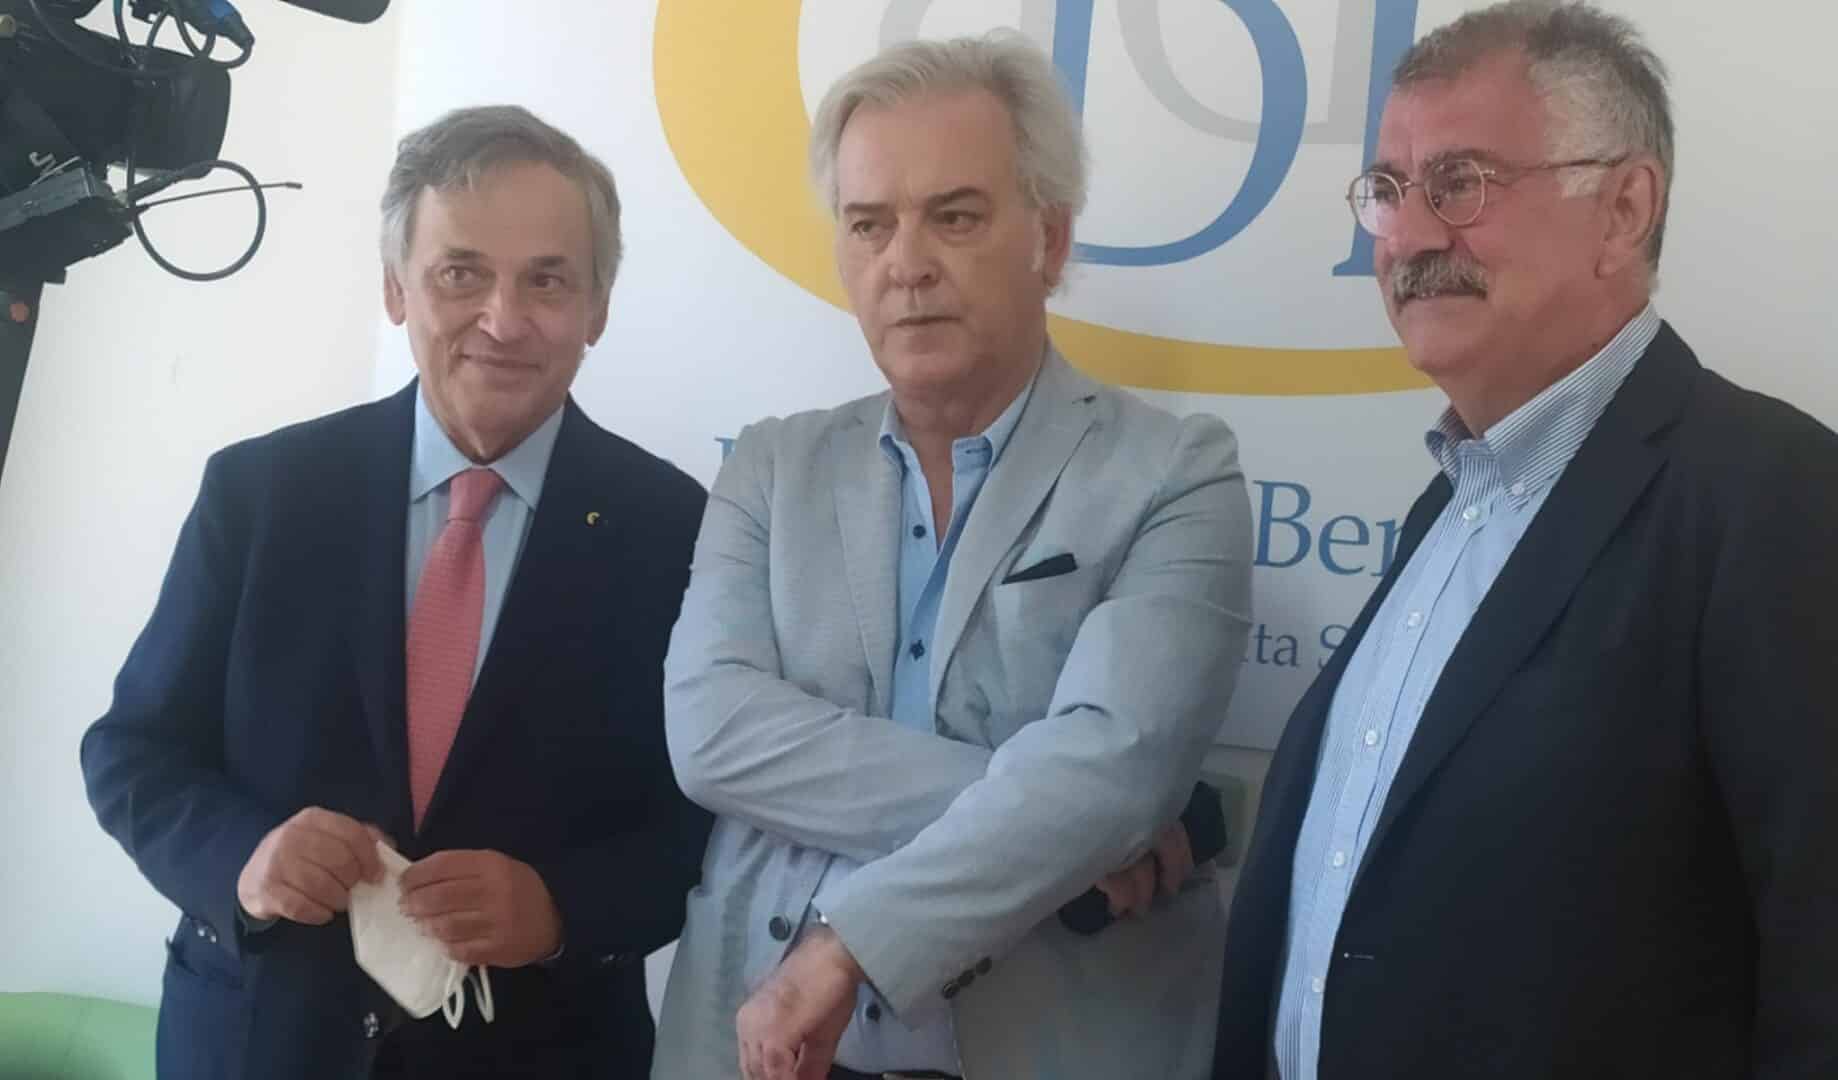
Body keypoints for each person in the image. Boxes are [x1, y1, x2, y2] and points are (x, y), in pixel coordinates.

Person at [1211, 4, 1838, 1077]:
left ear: (1622, 209)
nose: (1409, 238)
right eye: (1388, 189)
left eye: (1460, 182)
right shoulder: (1446, 506)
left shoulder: (1774, 497)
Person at [654, 32, 1254, 1080]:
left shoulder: (1176, 473)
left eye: (956, 215)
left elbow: (1113, 767)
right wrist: (1078, 828)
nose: (906, 263)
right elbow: (710, 735)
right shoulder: (770, 465)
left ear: (1049, 239)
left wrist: (854, 940)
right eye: (869, 224)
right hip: (762, 1045)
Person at [80, 105, 711, 1080]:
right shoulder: (261, 495)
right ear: (393, 288)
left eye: (547, 279)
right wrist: (243, 857)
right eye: (461, 273)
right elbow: (133, 751)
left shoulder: (681, 529)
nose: (503, 320)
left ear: (597, 307)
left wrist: (560, 910)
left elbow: (704, 821)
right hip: (261, 1044)